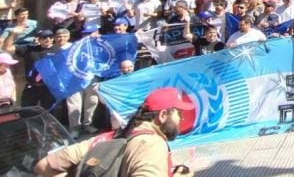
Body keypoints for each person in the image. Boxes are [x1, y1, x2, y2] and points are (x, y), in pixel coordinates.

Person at [34, 87, 195, 177]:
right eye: (178, 114)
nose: (181, 120)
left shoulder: (105, 138)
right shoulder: (152, 143)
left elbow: (44, 166)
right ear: (163, 115)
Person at [2, 27, 54, 108]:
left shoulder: (58, 50)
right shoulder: (30, 49)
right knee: (26, 113)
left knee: (49, 114)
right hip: (32, 87)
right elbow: (7, 48)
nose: (47, 39)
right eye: (44, 37)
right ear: (39, 39)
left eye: (50, 37)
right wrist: (13, 34)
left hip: (49, 88)